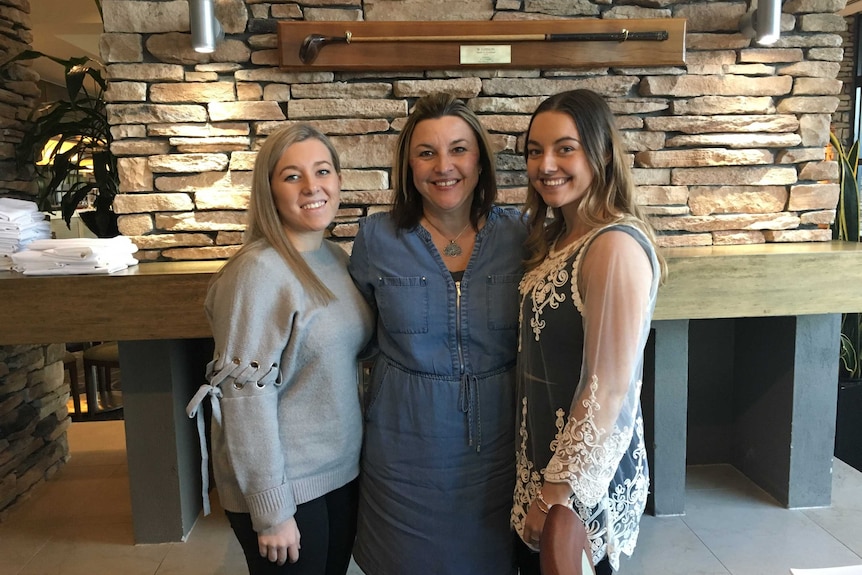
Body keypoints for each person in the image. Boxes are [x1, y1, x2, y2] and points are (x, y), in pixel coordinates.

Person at [348, 93, 527, 575]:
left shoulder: (525, 235)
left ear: (481, 161)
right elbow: (356, 332)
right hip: (405, 441)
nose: (443, 166)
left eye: (459, 150)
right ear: (408, 165)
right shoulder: (376, 238)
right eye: (426, 152)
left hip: (500, 440)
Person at [185, 124, 374, 575]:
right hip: (285, 485)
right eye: (292, 176)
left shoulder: (337, 259)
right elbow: (243, 397)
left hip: (337, 472)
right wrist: (271, 510)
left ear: (338, 180)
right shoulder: (258, 272)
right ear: (269, 190)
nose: (313, 187)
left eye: (322, 171)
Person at [511, 89, 667, 574]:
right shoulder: (560, 237)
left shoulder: (614, 246)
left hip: (577, 488)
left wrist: (557, 493)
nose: (546, 164)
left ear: (600, 153)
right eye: (535, 151)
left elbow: (609, 387)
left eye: (564, 148)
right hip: (543, 470)